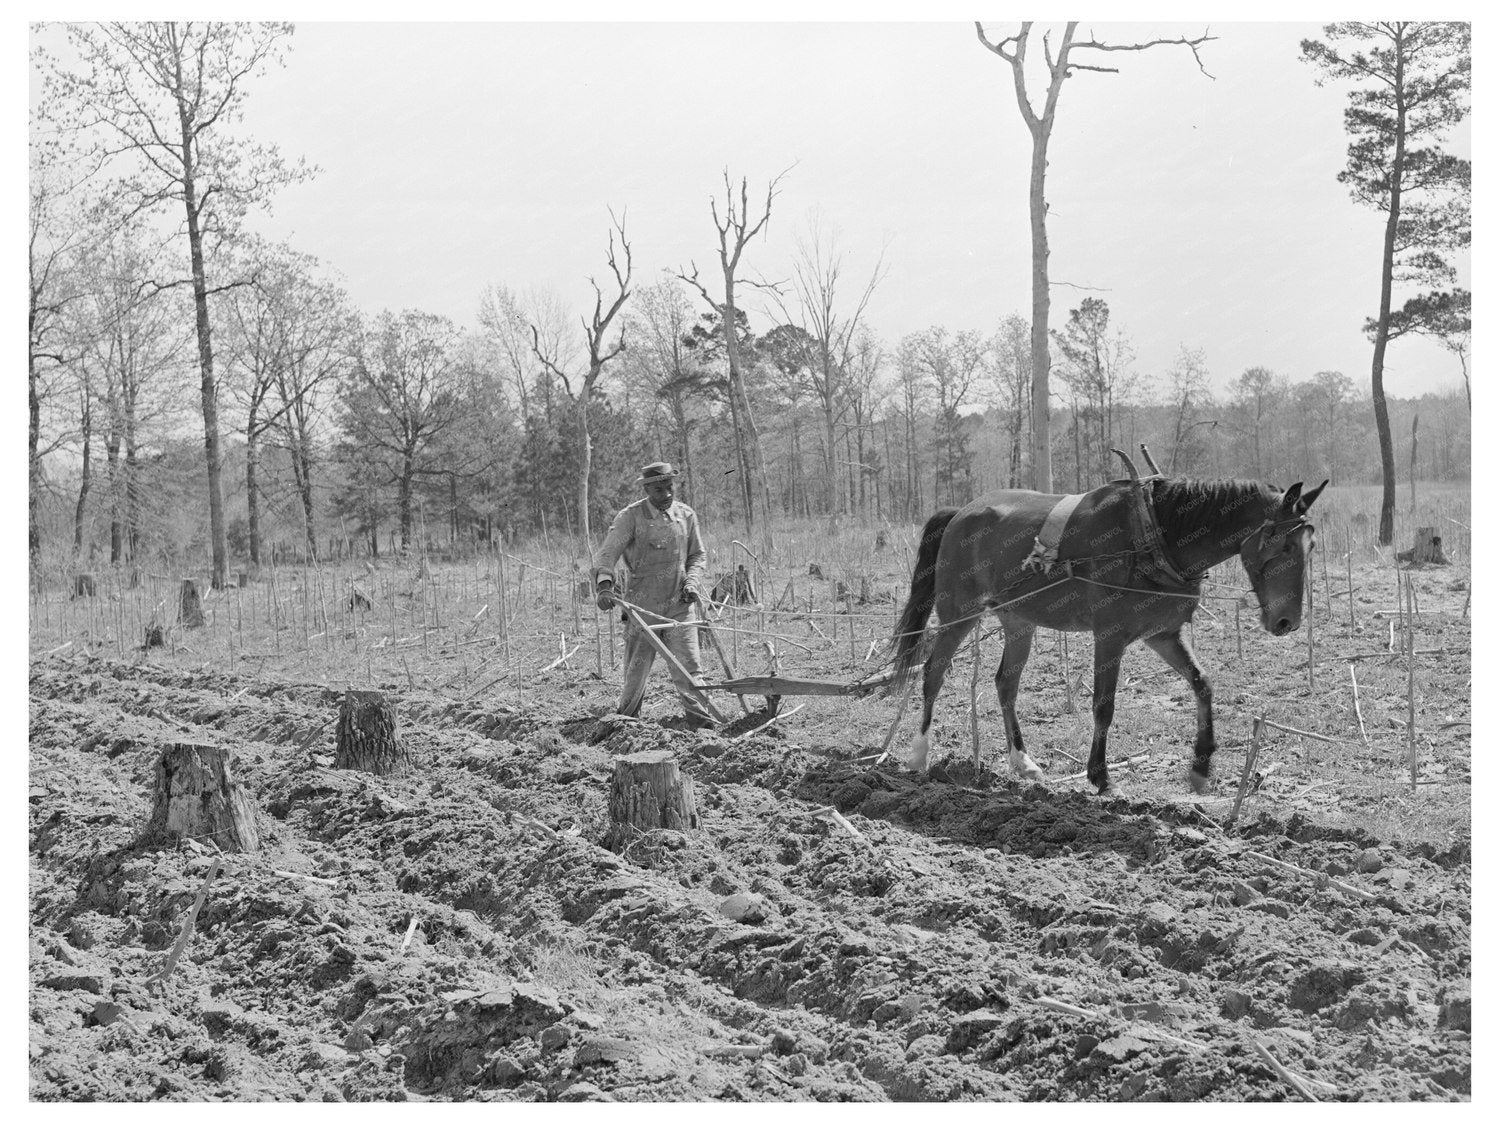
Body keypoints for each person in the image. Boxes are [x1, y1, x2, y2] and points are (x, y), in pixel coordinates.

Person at [592, 462, 717, 730]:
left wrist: (692, 582)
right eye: (659, 489)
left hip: (680, 606)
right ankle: (625, 725)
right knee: (636, 673)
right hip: (642, 610)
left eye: (670, 487)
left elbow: (698, 555)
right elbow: (606, 555)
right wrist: (604, 586)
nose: (666, 494)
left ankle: (703, 727)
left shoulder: (686, 515)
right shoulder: (631, 517)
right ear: (647, 489)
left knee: (690, 669)